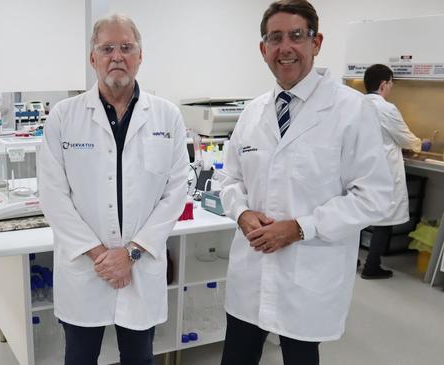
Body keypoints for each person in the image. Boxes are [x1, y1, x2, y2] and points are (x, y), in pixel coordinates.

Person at [216, 1, 394, 364]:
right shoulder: (252, 112)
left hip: (309, 272)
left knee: (300, 356)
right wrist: (241, 212)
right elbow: (228, 177)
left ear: (317, 42)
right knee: (236, 357)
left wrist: (300, 228)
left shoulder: (350, 110)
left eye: (296, 36)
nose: (285, 48)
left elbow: (374, 196)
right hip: (252, 271)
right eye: (275, 38)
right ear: (263, 49)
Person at [38, 14, 189, 365]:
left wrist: (131, 254)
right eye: (107, 48)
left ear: (140, 55)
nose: (117, 56)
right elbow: (53, 195)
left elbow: (176, 190)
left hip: (139, 267)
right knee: (79, 357)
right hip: (86, 268)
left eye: (126, 47)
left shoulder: (167, 116)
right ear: (93, 58)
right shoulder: (64, 116)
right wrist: (101, 256)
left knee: (139, 358)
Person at [361, 64, 421, 279]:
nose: (392, 87)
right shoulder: (386, 108)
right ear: (384, 84)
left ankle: (352, 261)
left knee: (357, 216)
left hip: (361, 170)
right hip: (382, 172)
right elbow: (404, 137)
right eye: (391, 83)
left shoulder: (357, 104)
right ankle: (371, 267)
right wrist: (420, 145)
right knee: (384, 222)